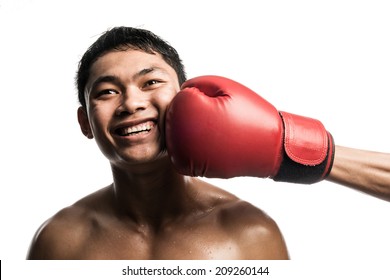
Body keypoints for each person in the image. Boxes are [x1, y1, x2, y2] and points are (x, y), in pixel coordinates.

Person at [27, 26, 389, 260]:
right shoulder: (59, 243)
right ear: (85, 123)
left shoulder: (247, 234)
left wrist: (288, 149)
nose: (132, 103)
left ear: (185, 99)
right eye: (107, 91)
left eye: (151, 82)